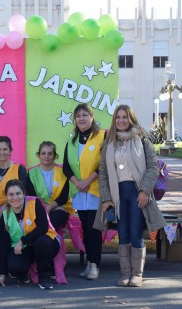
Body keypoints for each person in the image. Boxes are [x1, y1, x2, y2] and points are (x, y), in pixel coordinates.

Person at [95, 104, 166, 287]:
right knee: (123, 233)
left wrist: (144, 191)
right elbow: (102, 172)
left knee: (136, 233)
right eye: (118, 117)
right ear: (114, 120)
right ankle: (125, 274)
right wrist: (106, 198)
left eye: (125, 117)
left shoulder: (142, 140)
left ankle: (137, 274)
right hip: (117, 194)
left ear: (131, 119)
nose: (121, 120)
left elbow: (153, 167)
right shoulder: (108, 143)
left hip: (137, 193)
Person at [63, 103, 105, 280]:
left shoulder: (103, 136)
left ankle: (95, 265)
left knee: (94, 229)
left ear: (92, 117)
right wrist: (78, 183)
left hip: (96, 191)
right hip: (80, 193)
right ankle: (89, 262)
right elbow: (66, 167)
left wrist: (87, 181)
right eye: (78, 115)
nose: (81, 118)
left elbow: (104, 164)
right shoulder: (71, 141)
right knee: (86, 230)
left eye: (85, 115)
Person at [0, 179, 60, 290]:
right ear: (6, 196)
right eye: (11, 194)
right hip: (25, 248)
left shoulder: (35, 203)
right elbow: (4, 245)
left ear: (24, 193)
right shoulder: (5, 215)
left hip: (46, 242)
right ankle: (24, 272)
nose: (15, 197)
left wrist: (22, 241)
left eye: (18, 193)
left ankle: (44, 278)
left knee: (42, 242)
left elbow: (43, 228)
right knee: (15, 267)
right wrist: (2, 274)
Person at [0, 136, 27, 268]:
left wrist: (2, 211)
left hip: (14, 208)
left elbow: (23, 195)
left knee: (3, 220)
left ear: (10, 150)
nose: (2, 152)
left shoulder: (19, 169)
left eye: (5, 149)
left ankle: (3, 258)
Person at [27, 141, 74, 232]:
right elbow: (31, 196)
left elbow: (64, 197)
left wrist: (49, 208)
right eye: (43, 153)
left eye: (50, 153)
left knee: (52, 222)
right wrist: (43, 209)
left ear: (55, 156)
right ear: (39, 155)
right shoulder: (31, 172)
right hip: (38, 208)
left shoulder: (63, 172)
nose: (46, 156)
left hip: (59, 207)